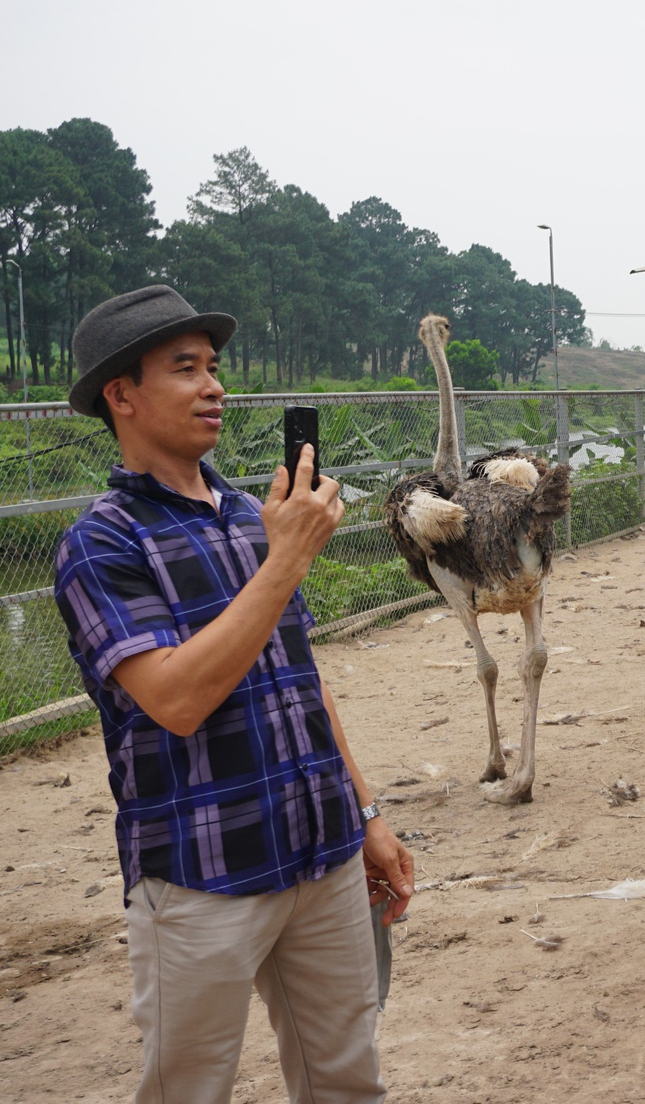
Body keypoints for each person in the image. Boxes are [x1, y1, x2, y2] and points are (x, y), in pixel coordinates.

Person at [54, 285, 414, 1104]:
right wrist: (285, 560)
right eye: (185, 368)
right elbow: (174, 699)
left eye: (213, 366)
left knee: (350, 1078)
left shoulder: (255, 516)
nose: (214, 385)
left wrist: (365, 814)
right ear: (122, 395)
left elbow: (302, 676)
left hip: (319, 851)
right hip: (201, 872)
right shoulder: (102, 542)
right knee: (189, 1089)